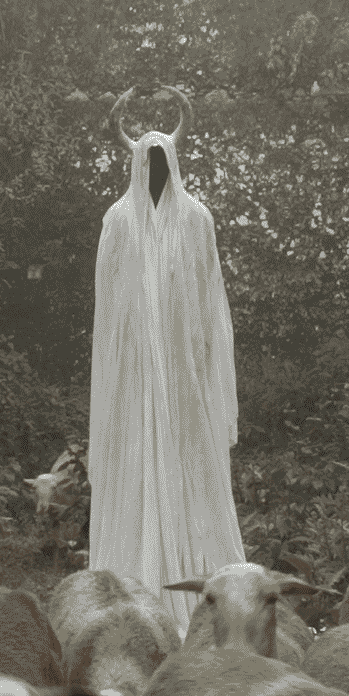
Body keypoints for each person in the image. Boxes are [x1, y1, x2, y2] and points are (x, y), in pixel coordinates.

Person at [87, 85, 245, 639]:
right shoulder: (118, 221)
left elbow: (211, 302)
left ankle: (198, 582)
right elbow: (108, 311)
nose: (154, 170)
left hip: (183, 380)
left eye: (162, 161)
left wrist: (204, 371)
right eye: (145, 161)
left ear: (173, 163)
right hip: (133, 379)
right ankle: (133, 584)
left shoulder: (197, 219)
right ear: (135, 165)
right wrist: (118, 377)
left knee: (189, 470)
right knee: (135, 469)